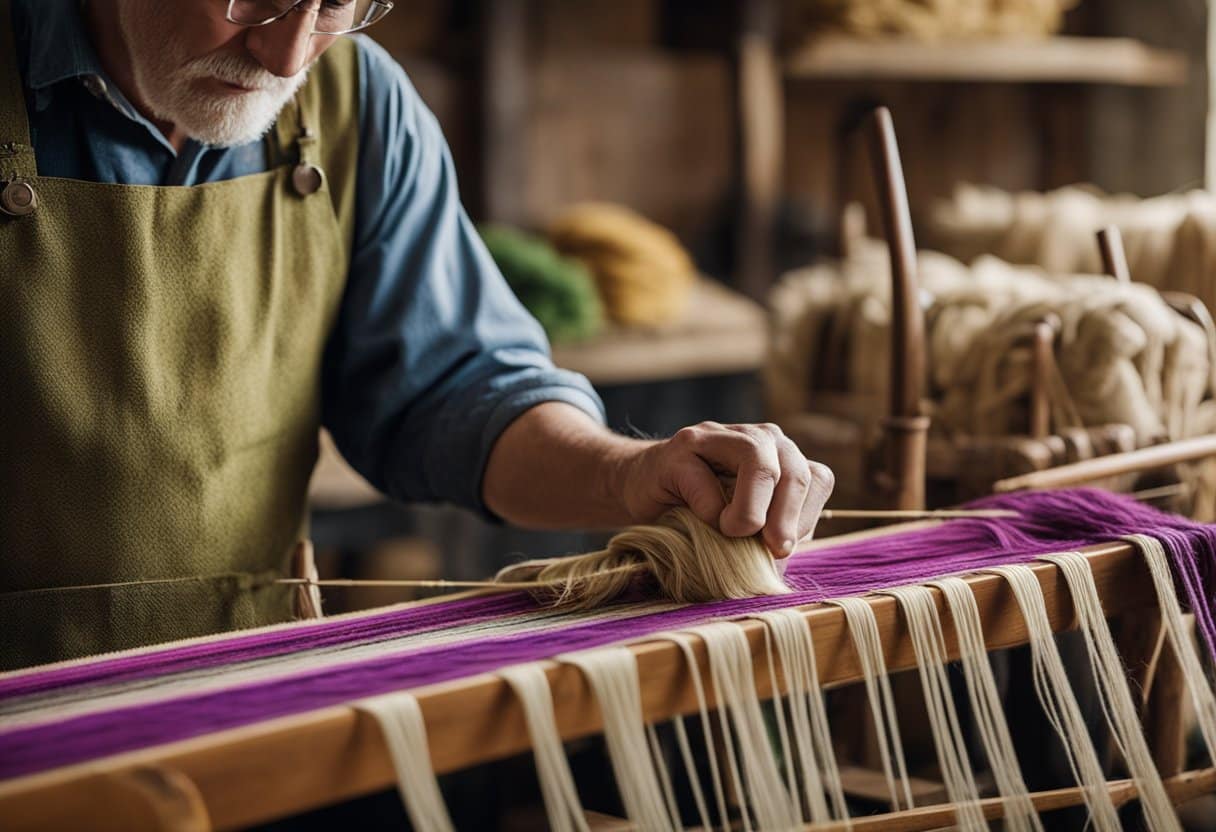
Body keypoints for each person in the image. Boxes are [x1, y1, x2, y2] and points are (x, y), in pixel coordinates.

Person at [0, 0, 834, 670]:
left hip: (238, 691)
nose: (288, 56)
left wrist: (631, 474)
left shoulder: (357, 103)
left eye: (334, 4)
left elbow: (454, 390)